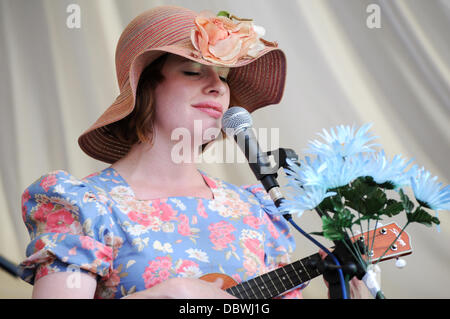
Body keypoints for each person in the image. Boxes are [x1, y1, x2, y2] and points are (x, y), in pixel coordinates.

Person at [19, 5, 367, 299]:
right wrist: (168, 294)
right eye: (191, 70)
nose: (217, 87)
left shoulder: (256, 211)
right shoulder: (85, 206)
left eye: (224, 76)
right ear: (144, 90)